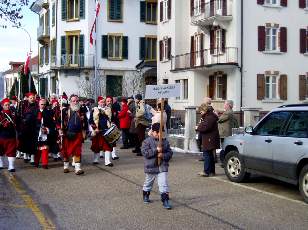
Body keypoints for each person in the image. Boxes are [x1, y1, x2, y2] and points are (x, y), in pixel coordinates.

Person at [141, 123, 173, 209]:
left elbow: (170, 153)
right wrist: (156, 150)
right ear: (153, 132)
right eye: (157, 132)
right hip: (151, 166)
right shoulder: (147, 141)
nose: (159, 134)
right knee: (148, 183)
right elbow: (145, 153)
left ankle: (165, 200)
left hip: (162, 166)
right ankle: (146, 194)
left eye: (161, 133)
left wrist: (163, 155)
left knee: (163, 183)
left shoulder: (165, 142)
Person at [60, 95, 88, 175]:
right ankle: (66, 166)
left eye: (77, 101)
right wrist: (60, 130)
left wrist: (85, 131)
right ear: (70, 101)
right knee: (66, 150)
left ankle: (78, 168)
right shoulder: (64, 111)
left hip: (78, 134)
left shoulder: (82, 110)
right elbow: (59, 122)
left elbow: (85, 122)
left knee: (77, 150)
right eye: (73, 101)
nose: (75, 102)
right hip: (67, 133)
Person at [89, 96, 113, 166]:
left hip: (106, 130)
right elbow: (90, 120)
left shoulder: (108, 109)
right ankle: (95, 159)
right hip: (97, 131)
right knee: (96, 146)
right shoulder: (94, 109)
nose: (102, 103)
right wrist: (95, 128)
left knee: (107, 146)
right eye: (101, 102)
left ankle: (107, 161)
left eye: (103, 102)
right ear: (98, 102)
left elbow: (111, 119)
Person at [196, 106, 220, 177]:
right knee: (210, 155)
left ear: (204, 110)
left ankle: (206, 171)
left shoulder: (209, 117)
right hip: (209, 138)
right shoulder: (209, 116)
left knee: (207, 154)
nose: (200, 113)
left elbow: (205, 127)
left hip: (209, 138)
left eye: (201, 112)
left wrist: (198, 127)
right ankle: (211, 171)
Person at [18, 92, 39, 165]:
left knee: (33, 143)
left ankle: (32, 158)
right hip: (25, 127)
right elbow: (20, 115)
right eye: (31, 98)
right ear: (28, 98)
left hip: (34, 126)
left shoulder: (37, 105)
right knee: (25, 142)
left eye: (33, 97)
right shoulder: (23, 105)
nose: (32, 99)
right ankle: (26, 156)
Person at [34, 98, 55, 169]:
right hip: (36, 133)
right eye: (41, 104)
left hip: (45, 133)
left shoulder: (49, 113)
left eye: (44, 104)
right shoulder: (34, 112)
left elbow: (52, 124)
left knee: (45, 148)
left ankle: (45, 164)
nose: (43, 106)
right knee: (37, 149)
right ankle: (36, 162)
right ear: (38, 104)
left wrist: (47, 130)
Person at [218, 100, 239, 166]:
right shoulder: (232, 112)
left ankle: (224, 162)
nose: (224, 105)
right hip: (228, 133)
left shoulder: (227, 113)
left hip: (224, 133)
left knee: (224, 148)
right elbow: (236, 124)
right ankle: (226, 161)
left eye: (225, 104)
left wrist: (216, 114)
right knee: (226, 148)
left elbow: (219, 120)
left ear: (228, 105)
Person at [0, 98, 18, 172]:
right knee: (0, 150)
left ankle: (11, 166)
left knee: (11, 151)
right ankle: (0, 164)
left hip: (11, 135)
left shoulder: (13, 113)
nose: (7, 106)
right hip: (1, 135)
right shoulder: (0, 114)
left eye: (8, 105)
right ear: (2, 106)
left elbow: (17, 122)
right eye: (6, 105)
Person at [105, 96, 119, 160]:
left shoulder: (114, 108)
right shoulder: (103, 108)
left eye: (110, 101)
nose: (109, 102)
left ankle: (114, 155)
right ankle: (103, 154)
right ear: (105, 102)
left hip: (113, 126)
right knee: (105, 142)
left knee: (113, 140)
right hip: (105, 127)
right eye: (108, 101)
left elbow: (116, 117)